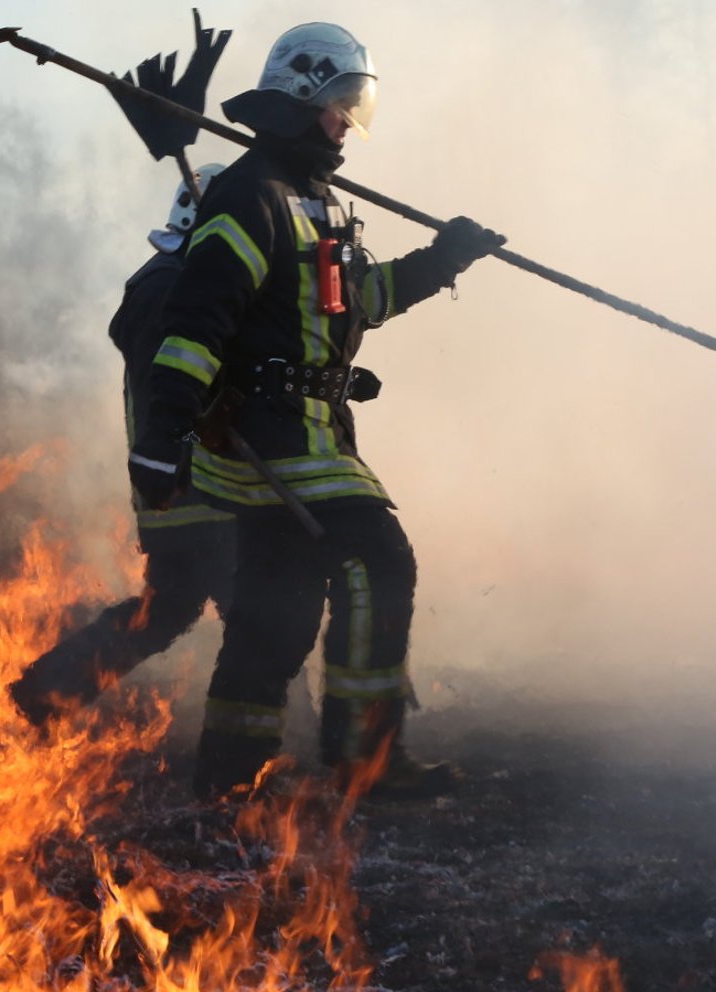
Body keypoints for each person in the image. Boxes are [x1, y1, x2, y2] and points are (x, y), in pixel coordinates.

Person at [127, 22, 505, 799]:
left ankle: (226, 775)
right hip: (276, 438)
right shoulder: (248, 195)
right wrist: (163, 437)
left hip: (311, 434)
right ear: (302, 95)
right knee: (379, 560)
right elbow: (195, 323)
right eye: (340, 104)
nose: (347, 123)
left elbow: (359, 300)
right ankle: (368, 758)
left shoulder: (312, 201)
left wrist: (443, 258)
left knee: (280, 611)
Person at [8, 166, 239, 724]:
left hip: (190, 487)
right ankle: (277, 744)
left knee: (170, 610)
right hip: (197, 486)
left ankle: (46, 692)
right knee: (256, 616)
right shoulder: (172, 289)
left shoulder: (171, 281)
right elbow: (178, 388)